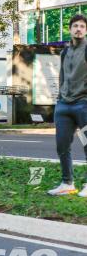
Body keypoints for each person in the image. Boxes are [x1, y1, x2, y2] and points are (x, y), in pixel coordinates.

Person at [48, 13, 87, 197]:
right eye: (75, 26)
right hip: (64, 105)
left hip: (83, 104)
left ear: (85, 30)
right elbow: (62, 75)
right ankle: (67, 183)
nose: (78, 29)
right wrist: (59, 98)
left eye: (82, 26)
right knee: (61, 145)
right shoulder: (65, 51)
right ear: (70, 29)